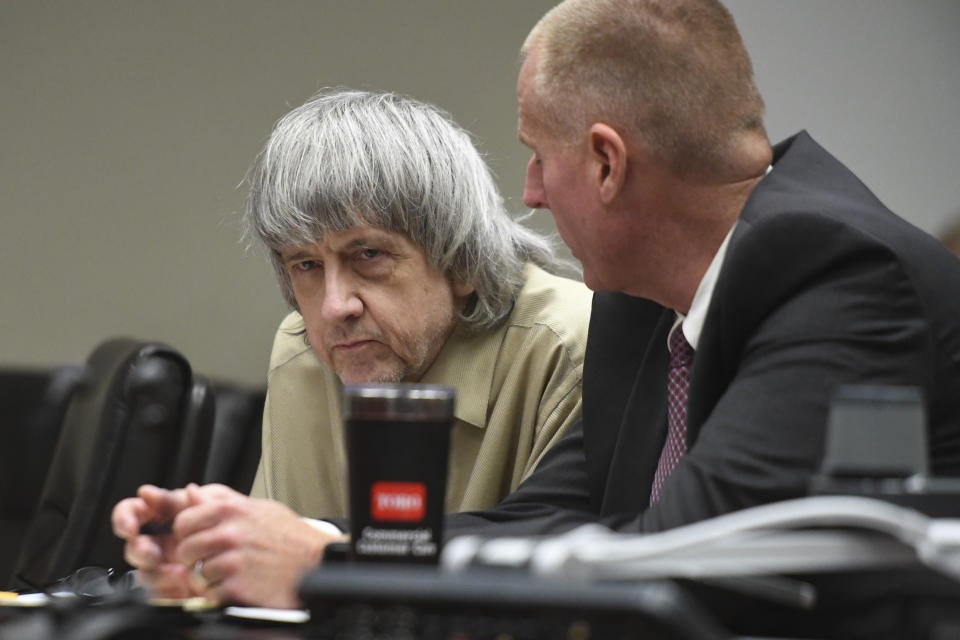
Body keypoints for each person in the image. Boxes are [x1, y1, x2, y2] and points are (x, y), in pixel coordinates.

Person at [117, 0, 960, 608]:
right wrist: (249, 543)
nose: (527, 196)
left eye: (535, 156)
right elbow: (546, 518)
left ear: (604, 163)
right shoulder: (643, 304)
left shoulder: (840, 270)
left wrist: (324, 563)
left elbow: (688, 556)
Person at [111, 89, 592, 606]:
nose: (334, 308)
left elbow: (564, 584)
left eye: (368, 254)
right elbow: (275, 591)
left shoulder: (573, 343)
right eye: (306, 265)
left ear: (463, 262)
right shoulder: (302, 354)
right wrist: (201, 565)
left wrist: (317, 554)